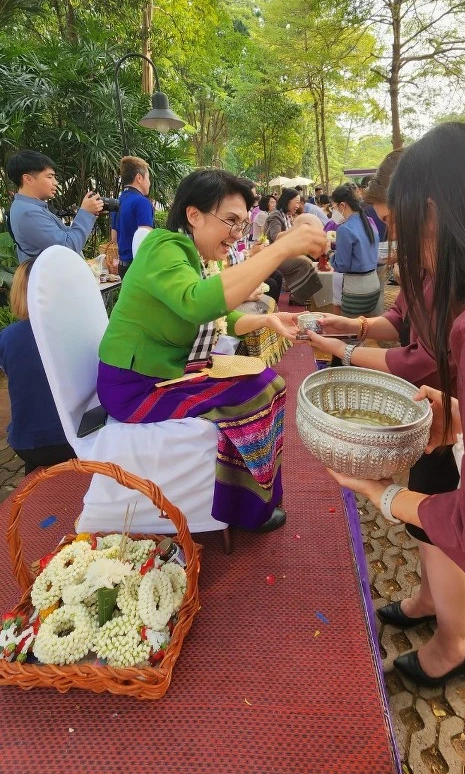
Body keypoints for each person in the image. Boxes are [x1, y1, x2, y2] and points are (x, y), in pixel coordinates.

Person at [325, 123, 465, 774]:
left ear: (443, 215)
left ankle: (451, 641)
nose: (401, 251)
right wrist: (463, 415)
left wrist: (388, 496)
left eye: (405, 224)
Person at [97, 169, 326, 532]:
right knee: (259, 389)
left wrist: (268, 320)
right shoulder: (162, 246)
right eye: (231, 221)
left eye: (242, 223)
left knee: (265, 381)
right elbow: (197, 304)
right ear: (194, 215)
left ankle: (246, 498)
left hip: (167, 370)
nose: (237, 233)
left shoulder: (193, 256)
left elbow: (223, 318)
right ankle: (245, 506)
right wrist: (281, 248)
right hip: (134, 387)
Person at [0, 260, 74, 475]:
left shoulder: (7, 338)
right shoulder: (80, 330)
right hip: (78, 439)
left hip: (28, 444)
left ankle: (32, 490)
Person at [6, 149, 103, 262]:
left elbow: (64, 237)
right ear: (28, 179)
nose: (55, 182)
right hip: (49, 278)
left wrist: (89, 213)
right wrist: (86, 213)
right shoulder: (28, 213)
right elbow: (67, 248)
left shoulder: (30, 207)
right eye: (49, 177)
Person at [264, 188, 323, 306]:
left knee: (308, 259)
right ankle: (298, 297)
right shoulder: (276, 216)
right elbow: (276, 237)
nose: (298, 205)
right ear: (287, 201)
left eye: (299, 202)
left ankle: (300, 295)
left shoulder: (287, 215)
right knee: (303, 263)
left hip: (283, 252)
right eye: (296, 202)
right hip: (273, 255)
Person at [330, 184, 380, 316]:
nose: (333, 211)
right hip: (374, 285)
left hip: (356, 290)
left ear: (342, 205)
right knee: (366, 329)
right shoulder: (369, 221)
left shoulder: (344, 229)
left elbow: (342, 265)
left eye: (333, 207)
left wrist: (330, 253)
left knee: (351, 332)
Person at [110, 156, 153, 278]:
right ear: (139, 178)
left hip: (123, 267)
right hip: (138, 267)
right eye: (148, 178)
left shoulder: (118, 201)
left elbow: (114, 237)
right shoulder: (141, 202)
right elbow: (146, 239)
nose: (149, 182)